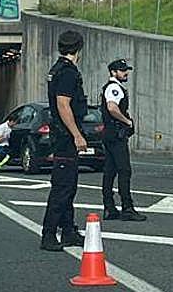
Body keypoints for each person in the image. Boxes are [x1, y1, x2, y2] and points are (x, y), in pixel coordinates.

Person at [40, 30, 89, 251]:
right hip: (65, 137)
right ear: (79, 48)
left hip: (61, 135)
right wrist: (77, 134)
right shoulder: (68, 73)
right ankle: (48, 234)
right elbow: (63, 104)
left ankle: (68, 230)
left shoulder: (56, 69)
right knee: (62, 186)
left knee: (69, 185)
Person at [100, 58, 146, 222]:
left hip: (110, 133)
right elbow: (112, 107)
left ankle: (109, 207)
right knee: (124, 170)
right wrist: (127, 121)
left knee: (110, 171)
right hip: (116, 134)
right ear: (113, 72)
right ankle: (127, 208)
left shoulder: (112, 87)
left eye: (126, 69)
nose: (125, 72)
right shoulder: (114, 88)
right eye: (122, 70)